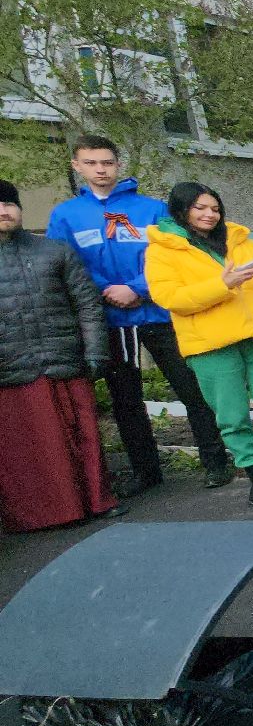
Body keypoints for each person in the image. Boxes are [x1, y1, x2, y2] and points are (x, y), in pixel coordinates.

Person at [45, 135, 228, 495]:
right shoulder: (66, 215)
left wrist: (137, 288)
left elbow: (178, 253)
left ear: (118, 164)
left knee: (192, 390)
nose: (100, 170)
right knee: (126, 401)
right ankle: (146, 473)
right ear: (77, 166)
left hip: (159, 314)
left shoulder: (152, 209)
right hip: (110, 321)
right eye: (91, 163)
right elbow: (64, 264)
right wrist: (106, 290)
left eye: (107, 162)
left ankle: (216, 463)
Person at [145, 183, 253, 510]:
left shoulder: (242, 240)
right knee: (232, 416)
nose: (209, 214)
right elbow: (170, 298)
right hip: (212, 345)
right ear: (181, 210)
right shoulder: (163, 250)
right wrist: (222, 284)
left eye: (215, 208)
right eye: (200, 208)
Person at [0, 180, 125, 530]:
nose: (3, 211)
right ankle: (37, 516)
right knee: (24, 447)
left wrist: (96, 352)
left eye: (9, 204)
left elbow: (87, 304)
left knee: (83, 437)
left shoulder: (55, 251)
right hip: (10, 367)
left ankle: (97, 502)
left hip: (64, 358)